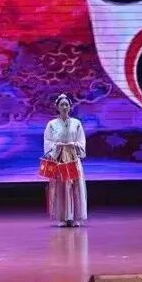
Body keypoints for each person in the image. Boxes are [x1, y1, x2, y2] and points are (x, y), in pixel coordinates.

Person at [43, 94, 87, 227]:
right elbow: (48, 142)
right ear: (57, 107)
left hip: (73, 157)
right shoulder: (51, 124)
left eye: (66, 104)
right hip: (59, 158)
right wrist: (56, 146)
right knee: (61, 187)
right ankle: (62, 217)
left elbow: (81, 141)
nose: (64, 107)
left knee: (75, 186)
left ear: (70, 107)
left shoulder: (76, 123)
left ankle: (75, 217)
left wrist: (74, 145)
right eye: (62, 104)